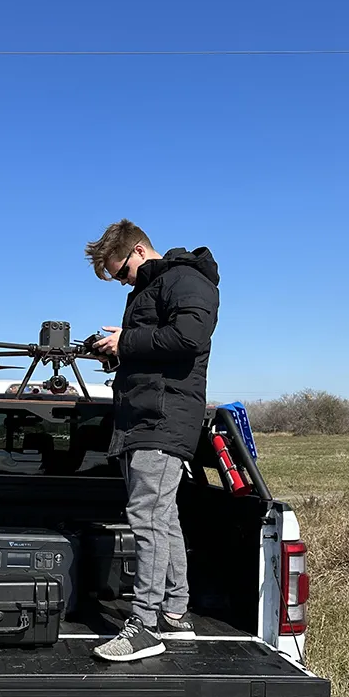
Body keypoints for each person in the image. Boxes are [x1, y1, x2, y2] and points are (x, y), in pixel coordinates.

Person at [85, 219, 220, 661]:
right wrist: (115, 350)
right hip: (141, 419)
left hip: (163, 419)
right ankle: (176, 615)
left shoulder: (187, 280)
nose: (121, 280)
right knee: (163, 518)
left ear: (139, 251)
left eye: (120, 271)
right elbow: (150, 350)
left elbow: (188, 337)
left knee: (146, 516)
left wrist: (128, 340)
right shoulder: (145, 293)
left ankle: (144, 624)